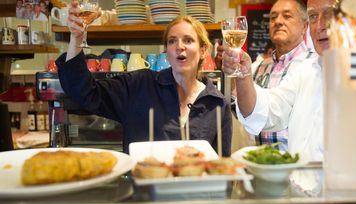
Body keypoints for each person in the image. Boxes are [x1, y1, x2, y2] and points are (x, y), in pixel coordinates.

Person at [56, 0, 232, 155]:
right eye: (172, 41)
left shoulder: (216, 103)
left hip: (196, 191)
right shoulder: (138, 86)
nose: (179, 46)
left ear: (203, 51)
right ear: (167, 52)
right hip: (143, 190)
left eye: (188, 40)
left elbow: (222, 163)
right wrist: (76, 39)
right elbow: (85, 92)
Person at [222, 0, 335, 162]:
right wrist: (243, 74)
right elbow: (268, 110)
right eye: (313, 16)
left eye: (329, 14)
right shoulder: (306, 71)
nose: (319, 26)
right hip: (291, 180)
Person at [250, 0, 310, 152]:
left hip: (299, 166)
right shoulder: (259, 68)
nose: (278, 22)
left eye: (287, 16)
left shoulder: (314, 65)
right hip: (261, 163)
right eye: (273, 17)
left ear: (304, 26)